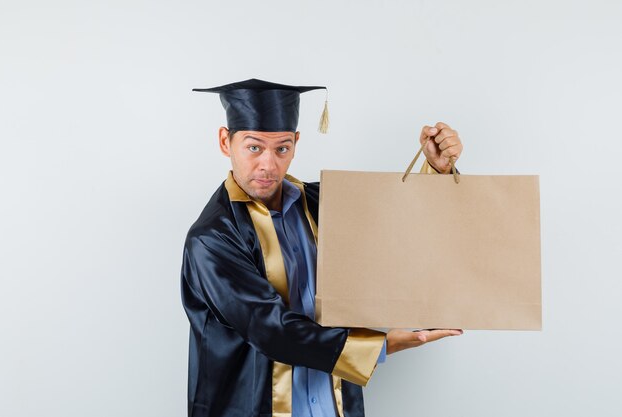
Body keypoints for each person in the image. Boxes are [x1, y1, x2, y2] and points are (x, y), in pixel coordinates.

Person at [181, 79, 464, 417]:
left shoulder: (322, 204)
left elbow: (395, 228)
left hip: (334, 404)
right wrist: (382, 346)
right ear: (226, 141)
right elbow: (269, 328)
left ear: (296, 143)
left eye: (282, 148)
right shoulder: (212, 237)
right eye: (254, 147)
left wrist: (435, 168)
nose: (268, 165)